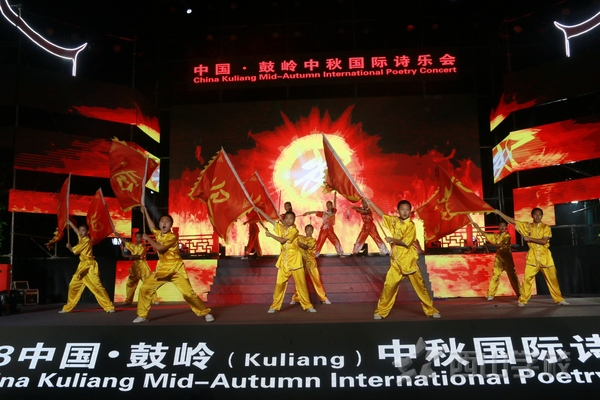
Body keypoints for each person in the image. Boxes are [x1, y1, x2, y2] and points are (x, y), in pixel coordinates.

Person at [133, 206, 214, 323]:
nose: (164, 223)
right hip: (162, 270)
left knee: (188, 294)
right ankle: (142, 315)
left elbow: (159, 248)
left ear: (171, 225)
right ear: (160, 224)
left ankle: (205, 312)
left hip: (176, 270)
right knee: (145, 288)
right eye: (162, 221)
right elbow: (152, 227)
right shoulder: (159, 234)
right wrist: (145, 212)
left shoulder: (172, 237)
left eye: (167, 222)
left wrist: (148, 239)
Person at [367, 199, 441, 319]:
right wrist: (371, 204)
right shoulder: (395, 221)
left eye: (407, 210)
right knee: (388, 287)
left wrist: (392, 240)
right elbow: (382, 215)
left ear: (410, 211)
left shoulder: (411, 225)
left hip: (409, 262)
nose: (405, 212)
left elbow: (406, 243)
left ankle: (431, 310)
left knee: (420, 287)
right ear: (398, 211)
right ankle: (381, 312)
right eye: (402, 209)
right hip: (396, 261)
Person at [496, 208, 569, 307]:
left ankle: (559, 299)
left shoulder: (546, 227)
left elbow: (544, 241)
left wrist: (529, 238)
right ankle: (523, 300)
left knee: (552, 279)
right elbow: (512, 221)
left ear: (542, 216)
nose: (537, 216)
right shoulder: (527, 226)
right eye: (535, 214)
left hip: (545, 257)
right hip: (532, 257)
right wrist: (499, 213)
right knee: (527, 279)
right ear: (532, 216)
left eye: (539, 215)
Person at [255, 208, 316, 313]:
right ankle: (274, 306)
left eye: (291, 218)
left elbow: (283, 240)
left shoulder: (294, 230)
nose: (288, 220)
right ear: (284, 219)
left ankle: (307, 305)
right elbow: (270, 220)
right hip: (284, 260)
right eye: (287, 218)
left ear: (294, 220)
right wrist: (260, 211)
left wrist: (271, 235)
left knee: (301, 284)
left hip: (295, 260)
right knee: (279, 284)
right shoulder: (281, 228)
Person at [59, 220, 115, 314]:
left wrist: (69, 247)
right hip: (82, 267)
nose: (81, 232)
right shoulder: (82, 237)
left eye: (83, 230)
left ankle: (109, 306)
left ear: (87, 232)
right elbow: (77, 232)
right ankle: (68, 307)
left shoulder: (86, 240)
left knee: (97, 287)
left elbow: (74, 251)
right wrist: (71, 224)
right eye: (80, 230)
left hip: (89, 267)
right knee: (73, 285)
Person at [471, 220, 520, 301]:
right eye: (501, 226)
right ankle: (491, 294)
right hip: (499, 258)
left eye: (504, 226)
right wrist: (477, 227)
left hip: (507, 258)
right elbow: (485, 234)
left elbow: (500, 245)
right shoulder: (496, 236)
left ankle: (520, 294)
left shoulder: (507, 236)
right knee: (495, 276)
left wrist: (489, 245)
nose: (502, 227)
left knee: (512, 277)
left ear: (506, 227)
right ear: (498, 227)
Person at [291, 224, 331, 305]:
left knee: (317, 281)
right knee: (299, 281)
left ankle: (323, 298)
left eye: (310, 230)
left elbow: (305, 247)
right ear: (305, 231)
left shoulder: (313, 240)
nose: (309, 232)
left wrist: (297, 243)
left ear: (312, 231)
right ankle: (296, 298)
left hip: (311, 264)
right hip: (302, 264)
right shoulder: (300, 238)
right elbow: (293, 235)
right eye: (307, 230)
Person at [119, 231, 158, 306]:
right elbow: (126, 243)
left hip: (143, 267)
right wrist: (119, 236)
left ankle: (154, 299)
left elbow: (139, 256)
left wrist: (127, 256)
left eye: (139, 237)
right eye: (136, 237)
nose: (137, 239)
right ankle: (128, 300)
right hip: (135, 267)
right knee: (130, 283)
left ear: (142, 238)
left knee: (147, 283)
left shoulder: (143, 247)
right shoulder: (133, 246)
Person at [304, 192, 344, 257]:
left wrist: (335, 195)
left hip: (330, 230)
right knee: (320, 242)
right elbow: (315, 212)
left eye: (329, 205)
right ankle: (315, 254)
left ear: (331, 205)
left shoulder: (333, 212)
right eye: (327, 205)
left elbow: (335, 203)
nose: (328, 206)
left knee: (336, 241)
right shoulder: (324, 213)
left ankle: (340, 253)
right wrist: (308, 212)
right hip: (324, 230)